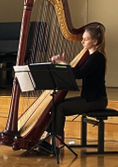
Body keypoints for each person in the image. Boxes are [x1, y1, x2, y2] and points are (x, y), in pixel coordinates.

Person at [39, 24, 107, 154]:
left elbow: (78, 74)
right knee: (56, 104)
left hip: (97, 100)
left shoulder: (97, 57)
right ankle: (47, 139)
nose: (82, 41)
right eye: (82, 38)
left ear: (95, 41)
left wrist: (63, 63)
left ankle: (56, 144)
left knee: (60, 108)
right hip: (88, 98)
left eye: (85, 39)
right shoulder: (91, 56)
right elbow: (77, 72)